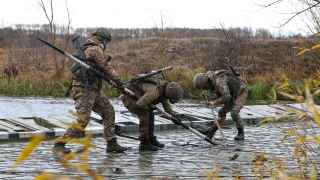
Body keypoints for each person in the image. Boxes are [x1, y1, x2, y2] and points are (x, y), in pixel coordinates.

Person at [53, 28, 127, 153]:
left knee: (108, 111)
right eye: (107, 42)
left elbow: (100, 67)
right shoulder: (95, 49)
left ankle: (111, 143)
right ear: (102, 39)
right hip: (84, 90)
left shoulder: (89, 48)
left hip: (93, 90)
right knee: (82, 121)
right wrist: (119, 82)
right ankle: (59, 144)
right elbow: (106, 67)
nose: (106, 45)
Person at [121, 77, 183, 151]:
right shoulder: (154, 92)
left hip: (141, 99)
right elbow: (140, 104)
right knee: (145, 113)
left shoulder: (163, 90)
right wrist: (150, 105)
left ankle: (151, 139)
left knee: (150, 113)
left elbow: (167, 109)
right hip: (130, 98)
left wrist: (174, 116)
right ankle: (144, 143)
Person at [192, 69, 248, 140]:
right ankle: (211, 131)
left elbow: (226, 97)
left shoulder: (219, 81)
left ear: (206, 82)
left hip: (241, 91)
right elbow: (218, 94)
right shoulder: (211, 81)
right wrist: (210, 101)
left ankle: (241, 133)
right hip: (231, 92)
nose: (205, 89)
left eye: (204, 87)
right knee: (221, 112)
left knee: (234, 112)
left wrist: (214, 102)